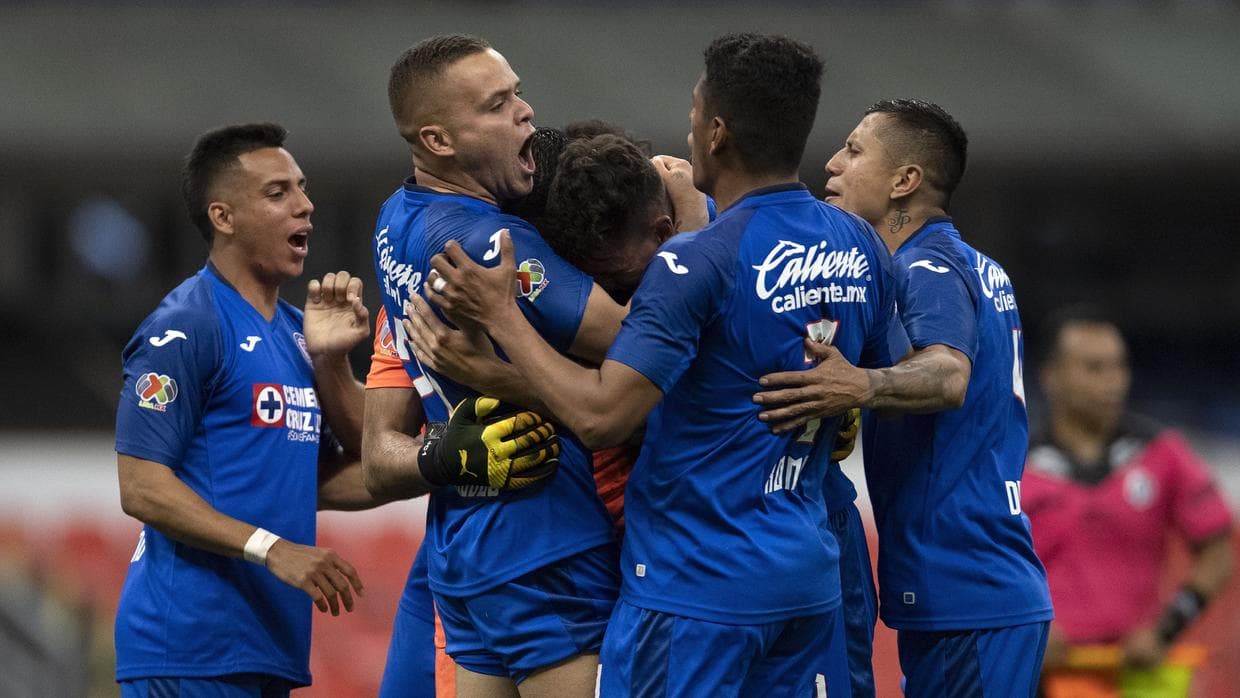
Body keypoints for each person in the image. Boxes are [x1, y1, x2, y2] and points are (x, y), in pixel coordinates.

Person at [414, 33, 899, 697]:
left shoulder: (690, 263)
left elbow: (601, 416)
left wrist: (502, 320)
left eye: (696, 114)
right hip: (807, 568)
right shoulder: (857, 242)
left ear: (718, 133)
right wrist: (862, 391)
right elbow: (885, 375)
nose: (687, 132)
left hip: (694, 583)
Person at [752, 99, 1054, 697]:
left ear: (905, 181)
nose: (833, 164)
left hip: (964, 582)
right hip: (981, 578)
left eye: (854, 150)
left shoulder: (922, 267)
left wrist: (858, 386)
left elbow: (948, 374)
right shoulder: (979, 266)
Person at [372, 34, 640, 697]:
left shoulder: (393, 219)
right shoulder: (490, 245)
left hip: (464, 548)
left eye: (517, 93)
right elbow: (644, 342)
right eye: (496, 105)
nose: (525, 112)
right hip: (546, 544)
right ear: (438, 141)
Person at [113, 122, 378, 696]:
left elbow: (349, 468)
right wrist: (272, 548)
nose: (305, 205)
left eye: (302, 188)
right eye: (278, 192)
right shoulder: (187, 324)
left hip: (265, 644)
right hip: (188, 645)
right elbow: (141, 487)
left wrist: (445, 465)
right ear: (223, 217)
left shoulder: (299, 335)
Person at [1022, 306, 1234, 673]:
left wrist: (1167, 630)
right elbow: (980, 559)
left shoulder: (1162, 454)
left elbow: (1218, 552)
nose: (1113, 381)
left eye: (1119, 366)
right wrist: (1026, 625)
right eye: (1094, 368)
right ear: (1051, 377)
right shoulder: (1016, 463)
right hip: (1046, 673)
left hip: (1138, 673)